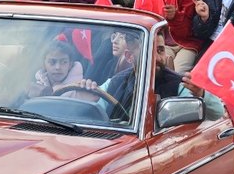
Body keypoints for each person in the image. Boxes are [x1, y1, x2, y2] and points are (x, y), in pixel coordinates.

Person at [72, 28, 224, 123]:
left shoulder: (178, 84)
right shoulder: (114, 83)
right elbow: (89, 119)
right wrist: (88, 102)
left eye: (160, 50)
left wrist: (201, 94)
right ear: (130, 57)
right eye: (149, 53)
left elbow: (217, 113)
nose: (158, 58)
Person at [25, 38, 95, 101]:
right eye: (52, 62)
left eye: (63, 62)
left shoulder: (82, 89)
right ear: (44, 64)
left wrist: (91, 93)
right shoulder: (33, 89)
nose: (58, 67)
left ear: (70, 65)